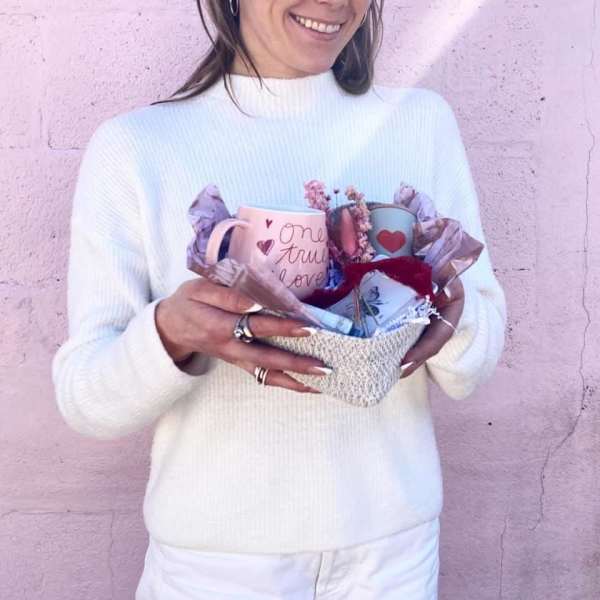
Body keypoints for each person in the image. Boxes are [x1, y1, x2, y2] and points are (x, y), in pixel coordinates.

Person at [51, 0, 507, 598]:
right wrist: (170, 332)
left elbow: (474, 364)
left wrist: (444, 305)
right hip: (218, 567)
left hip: (391, 558)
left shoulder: (420, 123)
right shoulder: (137, 147)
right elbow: (86, 401)